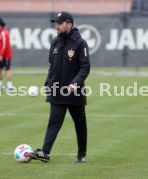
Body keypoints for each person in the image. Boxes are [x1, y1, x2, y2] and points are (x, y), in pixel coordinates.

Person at [29, 12, 90, 163]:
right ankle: (45, 152)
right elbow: (53, 66)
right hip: (57, 90)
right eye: (56, 23)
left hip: (75, 92)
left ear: (69, 24)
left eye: (60, 23)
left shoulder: (80, 43)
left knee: (80, 124)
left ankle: (81, 154)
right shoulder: (55, 42)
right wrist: (48, 84)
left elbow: (85, 67)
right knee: (54, 122)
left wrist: (75, 82)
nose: (57, 26)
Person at [0, 18, 14, 91]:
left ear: (0, 25)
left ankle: (10, 86)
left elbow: (5, 45)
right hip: (1, 56)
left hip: (6, 56)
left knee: (7, 70)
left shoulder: (4, 32)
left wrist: (1, 55)